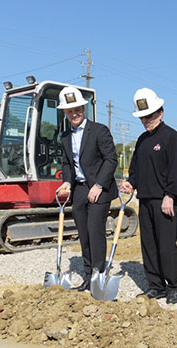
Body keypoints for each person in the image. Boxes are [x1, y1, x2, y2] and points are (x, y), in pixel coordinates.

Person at [121, 88, 177, 304]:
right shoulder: (141, 141)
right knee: (148, 245)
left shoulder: (171, 137)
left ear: (161, 113)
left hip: (165, 201)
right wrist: (131, 183)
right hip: (145, 200)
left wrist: (170, 196)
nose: (146, 121)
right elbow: (135, 169)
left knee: (166, 245)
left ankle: (174, 286)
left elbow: (176, 171)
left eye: (149, 116)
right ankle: (156, 286)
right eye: (142, 117)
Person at [55, 86, 119, 291]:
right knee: (83, 233)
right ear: (65, 113)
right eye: (70, 110)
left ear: (83, 108)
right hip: (79, 189)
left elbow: (111, 160)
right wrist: (66, 182)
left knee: (95, 231)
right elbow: (67, 163)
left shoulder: (99, 131)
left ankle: (98, 276)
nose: (74, 114)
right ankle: (88, 274)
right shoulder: (65, 137)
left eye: (77, 109)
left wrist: (99, 185)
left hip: (100, 188)